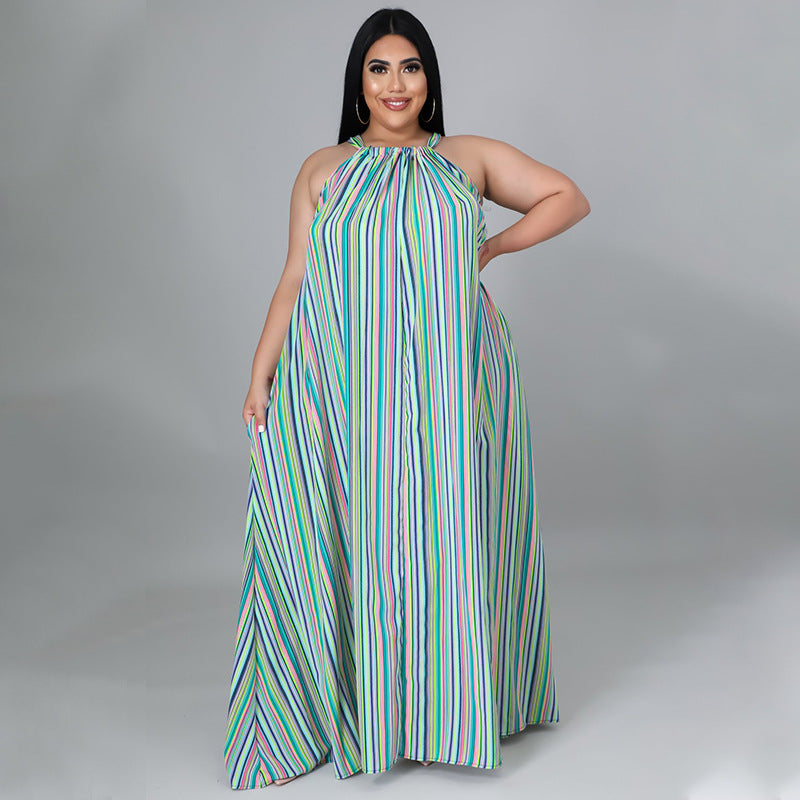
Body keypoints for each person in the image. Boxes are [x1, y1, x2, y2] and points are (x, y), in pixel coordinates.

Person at [224, 7, 590, 789]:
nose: (397, 83)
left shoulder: (465, 158)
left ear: (430, 79)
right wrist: (260, 373)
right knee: (332, 532)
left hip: (449, 386)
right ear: (359, 83)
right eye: (380, 68)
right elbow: (295, 277)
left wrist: (488, 248)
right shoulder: (324, 168)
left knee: (442, 538)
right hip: (343, 389)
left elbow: (566, 197)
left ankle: (442, 709)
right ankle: (350, 708)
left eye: (411, 66)